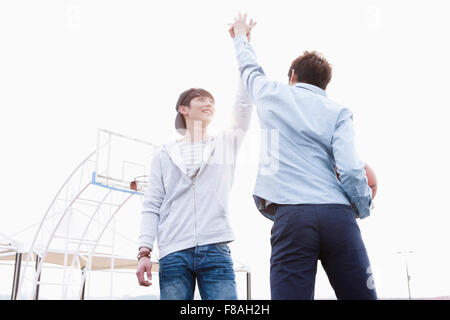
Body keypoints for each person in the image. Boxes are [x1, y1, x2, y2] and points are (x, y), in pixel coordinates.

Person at [229, 13, 377, 300]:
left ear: (293, 76)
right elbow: (349, 168)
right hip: (338, 215)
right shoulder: (339, 112)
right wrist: (362, 207)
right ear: (325, 84)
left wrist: (240, 37)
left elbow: (249, 68)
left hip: (292, 215)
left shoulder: (271, 94)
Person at [135, 26, 255, 300]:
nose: (209, 104)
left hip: (216, 247)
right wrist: (144, 251)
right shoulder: (163, 154)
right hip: (173, 251)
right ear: (183, 109)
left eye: (212, 101)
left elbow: (244, 104)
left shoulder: (225, 143)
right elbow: (152, 204)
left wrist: (243, 47)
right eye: (201, 99)